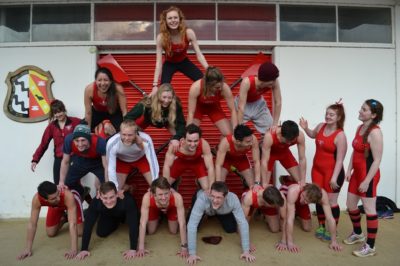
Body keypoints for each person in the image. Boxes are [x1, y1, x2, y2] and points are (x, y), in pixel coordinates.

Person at [299, 102, 347, 241]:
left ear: (338, 117)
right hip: (317, 170)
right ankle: (321, 226)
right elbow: (312, 135)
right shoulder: (321, 126)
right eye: (327, 114)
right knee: (318, 198)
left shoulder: (340, 135)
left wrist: (334, 178)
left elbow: (339, 160)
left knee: (331, 202)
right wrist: (306, 128)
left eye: (331, 115)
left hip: (332, 173)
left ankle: (334, 229)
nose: (328, 116)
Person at [343, 99, 383, 257]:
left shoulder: (375, 133)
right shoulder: (360, 128)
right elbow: (356, 151)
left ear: (373, 115)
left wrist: (367, 181)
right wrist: (349, 169)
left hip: (368, 176)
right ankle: (358, 233)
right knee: (351, 205)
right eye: (361, 108)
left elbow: (377, 160)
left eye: (364, 109)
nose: (360, 111)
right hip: (356, 174)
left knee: (369, 209)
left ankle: (370, 246)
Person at [187, 181, 255, 265]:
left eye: (219, 197)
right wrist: (192, 253)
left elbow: (242, 223)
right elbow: (192, 225)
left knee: (231, 229)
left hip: (222, 209)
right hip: (205, 207)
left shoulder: (233, 199)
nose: (215, 200)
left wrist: (246, 250)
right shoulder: (202, 198)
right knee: (192, 227)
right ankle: (205, 213)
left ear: (226, 196)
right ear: (210, 193)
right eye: (213, 196)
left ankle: (214, 214)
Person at [17, 181, 83, 260]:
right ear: (44, 199)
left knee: (79, 232)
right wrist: (27, 249)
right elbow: (32, 223)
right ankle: (65, 217)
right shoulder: (37, 199)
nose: (58, 198)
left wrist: (73, 249)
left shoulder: (68, 195)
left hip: (71, 201)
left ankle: (84, 195)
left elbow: (73, 224)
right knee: (51, 233)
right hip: (55, 206)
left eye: (58, 194)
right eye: (53, 198)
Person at [151, 6, 208, 96]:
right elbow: (158, 63)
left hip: (184, 62)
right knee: (163, 90)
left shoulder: (188, 33)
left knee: (204, 83)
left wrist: (209, 69)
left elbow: (199, 55)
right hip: (169, 64)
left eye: (175, 17)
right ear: (165, 21)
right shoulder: (161, 38)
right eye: (170, 18)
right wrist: (154, 85)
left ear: (180, 19)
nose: (173, 20)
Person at [75, 181, 139, 260]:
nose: (108, 201)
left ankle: (121, 219)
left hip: (125, 214)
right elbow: (88, 225)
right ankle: (116, 221)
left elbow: (134, 225)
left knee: (138, 226)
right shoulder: (96, 202)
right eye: (105, 198)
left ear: (117, 194)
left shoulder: (127, 200)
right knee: (101, 233)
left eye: (111, 197)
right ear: (100, 196)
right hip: (109, 215)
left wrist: (133, 249)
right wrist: (84, 249)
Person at [282, 181, 342, 253]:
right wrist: (290, 242)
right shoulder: (293, 191)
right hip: (286, 197)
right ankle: (286, 179)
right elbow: (290, 219)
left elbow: (330, 218)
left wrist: (334, 241)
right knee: (283, 221)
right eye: (305, 198)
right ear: (303, 191)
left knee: (307, 228)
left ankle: (297, 212)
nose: (305, 202)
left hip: (297, 200)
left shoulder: (323, 195)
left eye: (308, 202)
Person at [31, 99, 81, 184]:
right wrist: (35, 159)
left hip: (74, 158)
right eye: (55, 113)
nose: (58, 114)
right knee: (58, 185)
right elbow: (43, 144)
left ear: (64, 110)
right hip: (59, 159)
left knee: (73, 184)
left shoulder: (75, 122)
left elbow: (87, 131)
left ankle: (84, 194)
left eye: (60, 111)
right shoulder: (51, 127)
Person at [125, 83, 185, 152]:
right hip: (147, 120)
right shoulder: (148, 103)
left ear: (173, 97)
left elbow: (181, 124)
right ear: (158, 96)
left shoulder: (175, 104)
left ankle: (176, 157)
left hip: (166, 121)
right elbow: (128, 117)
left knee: (181, 138)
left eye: (169, 98)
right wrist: (136, 134)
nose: (166, 101)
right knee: (131, 134)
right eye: (164, 97)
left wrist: (176, 138)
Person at [137, 177, 188, 258]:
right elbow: (142, 223)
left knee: (173, 231)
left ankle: (166, 215)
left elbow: (182, 223)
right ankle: (160, 216)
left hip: (171, 208)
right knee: (151, 231)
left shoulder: (177, 197)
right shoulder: (147, 197)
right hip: (154, 208)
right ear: (154, 194)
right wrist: (141, 247)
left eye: (166, 193)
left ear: (170, 191)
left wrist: (184, 248)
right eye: (160, 194)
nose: (164, 197)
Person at [106, 119, 159, 193]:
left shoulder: (145, 139)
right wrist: (115, 189)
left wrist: (155, 182)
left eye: (130, 135)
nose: (126, 138)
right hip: (122, 161)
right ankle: (130, 187)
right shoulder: (112, 142)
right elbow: (110, 167)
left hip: (141, 159)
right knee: (115, 189)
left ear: (136, 133)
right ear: (119, 133)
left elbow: (153, 162)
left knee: (156, 187)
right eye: (124, 134)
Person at [163, 124, 214, 193]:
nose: (193, 144)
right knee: (165, 187)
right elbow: (167, 166)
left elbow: (210, 167)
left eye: (196, 141)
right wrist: (166, 187)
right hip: (180, 163)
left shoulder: (204, 144)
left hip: (197, 163)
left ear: (200, 139)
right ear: (183, 139)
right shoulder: (175, 146)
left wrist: (211, 188)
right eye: (189, 141)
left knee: (207, 188)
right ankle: (175, 181)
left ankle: (199, 182)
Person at [58, 123, 107, 197]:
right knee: (67, 183)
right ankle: (82, 191)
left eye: (83, 140)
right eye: (77, 141)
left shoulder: (100, 143)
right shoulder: (69, 140)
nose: (80, 144)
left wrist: (108, 184)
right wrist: (61, 182)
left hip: (97, 162)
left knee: (106, 186)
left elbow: (106, 166)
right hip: (80, 160)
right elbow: (65, 162)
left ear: (89, 138)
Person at [187, 66, 237, 136]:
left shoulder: (224, 88)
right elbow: (191, 113)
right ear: (208, 85)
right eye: (217, 87)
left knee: (229, 134)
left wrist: (235, 130)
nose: (220, 89)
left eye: (221, 85)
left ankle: (221, 146)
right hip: (198, 109)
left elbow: (233, 110)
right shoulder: (196, 87)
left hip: (214, 108)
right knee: (191, 134)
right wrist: (188, 132)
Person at [236, 62, 282, 134]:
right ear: (264, 79)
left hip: (258, 104)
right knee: (235, 131)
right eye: (271, 81)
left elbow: (278, 102)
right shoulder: (247, 82)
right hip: (243, 105)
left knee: (271, 131)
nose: (273, 83)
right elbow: (241, 107)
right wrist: (239, 127)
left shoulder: (274, 82)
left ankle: (264, 144)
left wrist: (275, 124)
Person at [260, 120, 306, 187]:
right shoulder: (269, 136)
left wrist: (303, 180)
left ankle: (286, 179)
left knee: (299, 181)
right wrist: (264, 183)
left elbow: (302, 158)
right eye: (287, 141)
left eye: (292, 141)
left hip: (285, 154)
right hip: (270, 155)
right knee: (264, 185)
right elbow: (264, 161)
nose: (290, 143)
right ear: (281, 134)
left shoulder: (300, 136)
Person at [84, 67, 127, 137]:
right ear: (95, 81)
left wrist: (126, 128)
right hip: (97, 112)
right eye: (99, 80)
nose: (103, 83)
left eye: (106, 80)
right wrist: (87, 131)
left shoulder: (118, 88)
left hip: (114, 113)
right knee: (83, 129)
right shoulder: (89, 89)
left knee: (122, 131)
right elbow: (88, 113)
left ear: (111, 81)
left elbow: (124, 111)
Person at [215, 124, 261, 189]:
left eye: (251, 140)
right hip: (226, 160)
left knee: (254, 186)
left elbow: (256, 161)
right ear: (238, 142)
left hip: (242, 159)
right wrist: (217, 183)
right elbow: (218, 165)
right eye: (248, 142)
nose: (251, 143)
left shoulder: (253, 139)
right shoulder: (225, 143)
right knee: (219, 185)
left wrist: (257, 182)